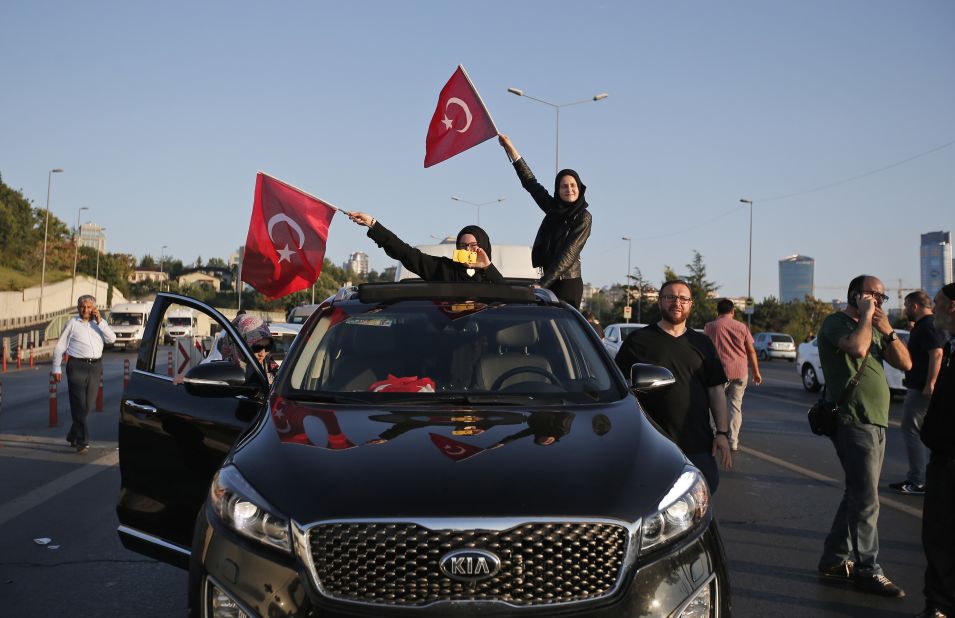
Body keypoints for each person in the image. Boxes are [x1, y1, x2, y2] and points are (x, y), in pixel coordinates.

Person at [815, 275, 911, 597]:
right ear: (855, 295)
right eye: (873, 295)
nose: (879, 301)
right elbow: (856, 348)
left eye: (882, 298)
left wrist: (889, 331)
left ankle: (833, 559)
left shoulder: (877, 328)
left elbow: (906, 363)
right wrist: (868, 317)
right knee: (867, 499)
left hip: (877, 421)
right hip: (852, 419)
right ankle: (868, 570)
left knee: (858, 492)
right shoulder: (835, 323)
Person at [613, 280, 732, 493]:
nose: (677, 303)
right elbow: (618, 388)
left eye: (683, 298)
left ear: (690, 304)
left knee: (700, 504)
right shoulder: (638, 340)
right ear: (660, 302)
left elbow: (716, 390)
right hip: (650, 445)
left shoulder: (702, 343)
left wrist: (722, 433)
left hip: (697, 445)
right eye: (671, 297)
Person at [498, 134, 592, 308]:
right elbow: (530, 183)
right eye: (564, 186)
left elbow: (569, 254)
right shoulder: (553, 208)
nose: (569, 189)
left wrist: (543, 283)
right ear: (558, 189)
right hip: (548, 280)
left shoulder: (584, 217)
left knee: (562, 333)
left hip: (567, 283)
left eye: (573, 185)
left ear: (579, 188)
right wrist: (509, 148)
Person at [917, 282, 955, 618]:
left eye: (938, 303)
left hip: (949, 458)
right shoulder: (951, 344)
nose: (934, 309)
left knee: (941, 534)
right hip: (943, 455)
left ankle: (940, 605)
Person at [888, 290, 945, 496]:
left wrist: (931, 384)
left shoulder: (929, 325)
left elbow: (936, 353)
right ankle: (922, 477)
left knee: (911, 430)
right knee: (922, 432)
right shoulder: (924, 325)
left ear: (914, 306)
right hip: (920, 386)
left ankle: (918, 480)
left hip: (922, 389)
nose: (904, 309)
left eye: (906, 306)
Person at [346, 212, 503, 283]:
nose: (467, 250)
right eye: (462, 246)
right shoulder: (444, 269)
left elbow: (509, 297)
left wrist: (487, 267)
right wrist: (373, 224)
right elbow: (406, 254)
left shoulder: (490, 277)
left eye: (473, 246)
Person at [52, 295, 116, 454]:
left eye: (88, 307)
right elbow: (60, 346)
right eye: (82, 307)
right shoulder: (72, 323)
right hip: (76, 366)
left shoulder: (100, 324)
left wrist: (101, 322)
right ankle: (83, 441)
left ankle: (73, 434)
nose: (85, 310)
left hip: (95, 367)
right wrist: (56, 367)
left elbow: (112, 339)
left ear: (94, 308)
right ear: (78, 307)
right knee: (78, 404)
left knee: (87, 405)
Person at [704, 299, 762, 452]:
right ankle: (733, 441)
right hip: (740, 371)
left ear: (717, 312)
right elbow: (750, 350)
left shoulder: (710, 327)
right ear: (732, 311)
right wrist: (756, 372)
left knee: (714, 406)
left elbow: (705, 349)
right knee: (735, 407)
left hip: (718, 373)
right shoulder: (742, 327)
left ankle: (715, 437)